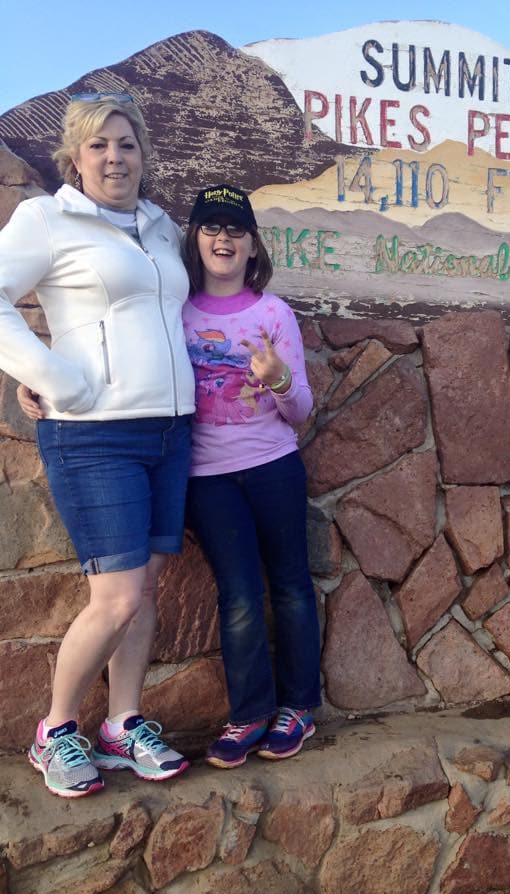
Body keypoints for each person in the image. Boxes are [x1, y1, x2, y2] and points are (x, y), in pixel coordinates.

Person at [5, 92, 197, 798]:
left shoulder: (159, 227)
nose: (114, 157)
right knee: (114, 598)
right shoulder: (47, 219)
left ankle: (122, 723)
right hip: (94, 435)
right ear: (74, 156)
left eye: (126, 144)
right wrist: (50, 377)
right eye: (99, 145)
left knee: (143, 591)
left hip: (169, 430)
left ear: (143, 155)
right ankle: (55, 732)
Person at [181, 184, 321, 768]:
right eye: (211, 227)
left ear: (253, 248)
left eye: (235, 228)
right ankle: (249, 715)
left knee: (290, 585)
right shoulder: (178, 311)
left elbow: (302, 410)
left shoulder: (273, 314)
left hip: (273, 466)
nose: (222, 237)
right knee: (238, 594)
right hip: (207, 477)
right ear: (194, 241)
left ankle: (299, 708)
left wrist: (281, 379)